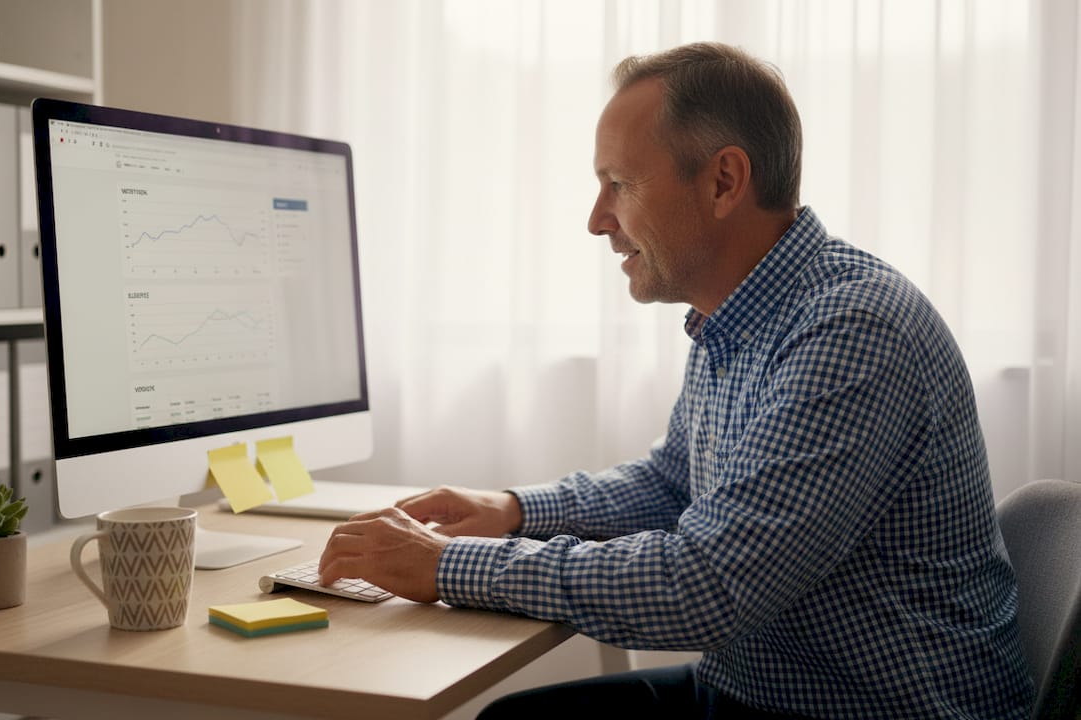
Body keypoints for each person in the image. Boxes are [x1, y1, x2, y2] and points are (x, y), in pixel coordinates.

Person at [317, 42, 1035, 719]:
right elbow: (672, 485)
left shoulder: (852, 330)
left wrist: (449, 565)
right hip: (766, 689)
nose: (598, 220)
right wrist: (512, 510)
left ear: (724, 180)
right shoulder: (737, 317)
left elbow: (707, 586)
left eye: (619, 185)